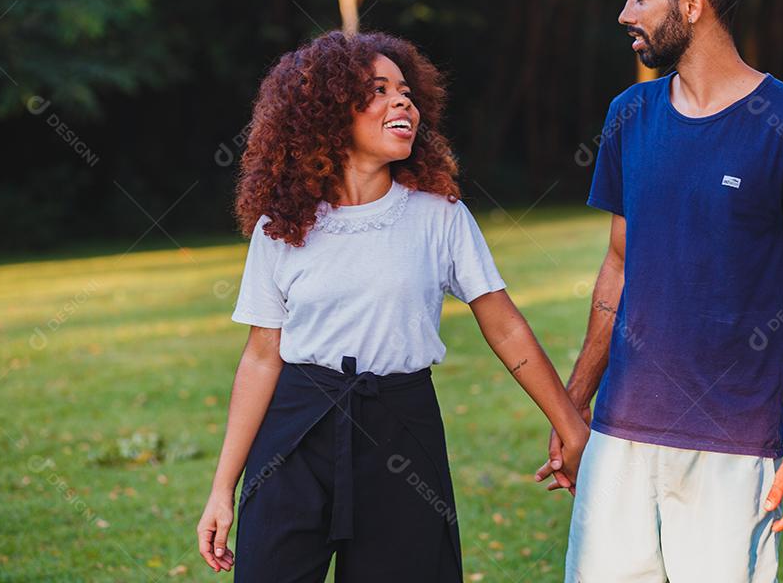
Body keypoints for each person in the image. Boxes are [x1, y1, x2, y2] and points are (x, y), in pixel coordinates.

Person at [195, 29, 590, 582]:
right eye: (377, 90)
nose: (402, 101)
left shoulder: (440, 216)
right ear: (327, 112)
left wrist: (570, 426)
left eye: (406, 91)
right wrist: (222, 489)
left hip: (403, 432)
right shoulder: (280, 228)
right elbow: (263, 357)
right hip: (295, 436)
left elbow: (504, 326)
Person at [535, 0, 783, 582]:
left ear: (693, 4)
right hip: (619, 435)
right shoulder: (630, 113)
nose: (625, 14)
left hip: (731, 446)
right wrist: (575, 407)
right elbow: (618, 265)